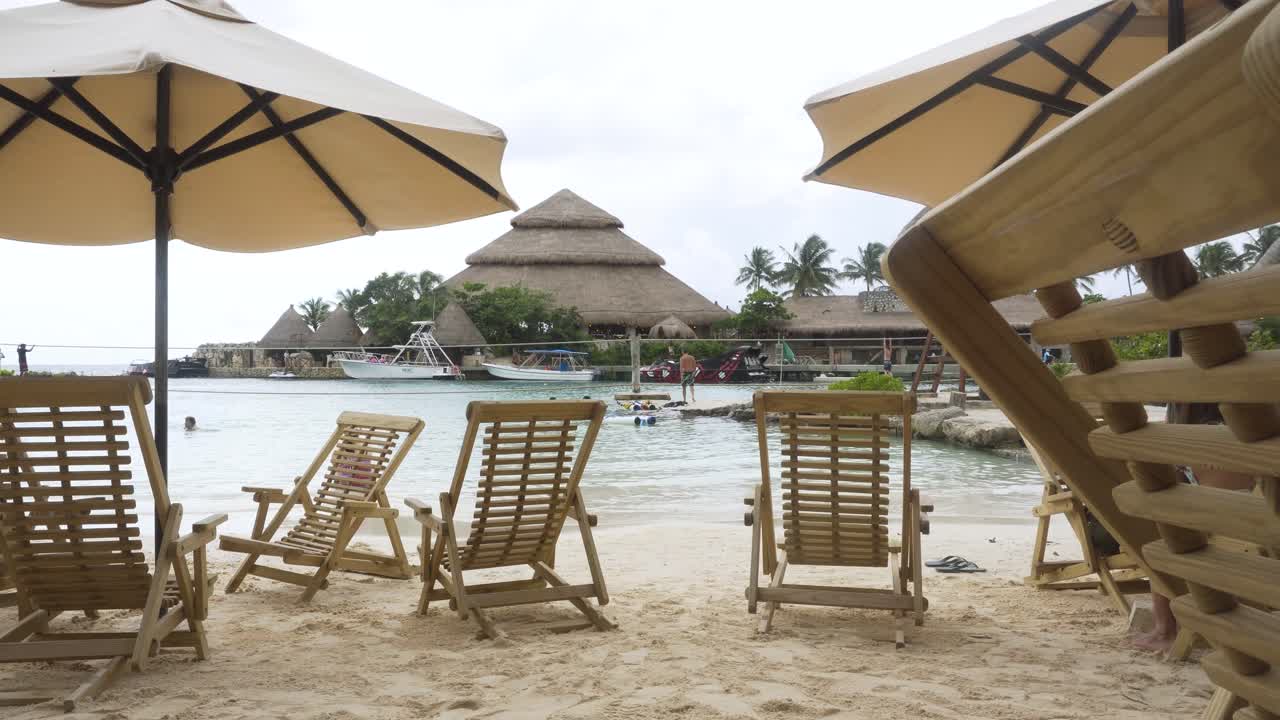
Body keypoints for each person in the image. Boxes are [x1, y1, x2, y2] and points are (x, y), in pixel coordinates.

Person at [1133, 402, 1258, 653]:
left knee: (1165, 535)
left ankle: (1165, 630)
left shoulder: (1191, 438)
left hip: (1223, 526)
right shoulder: (1252, 427)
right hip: (1257, 520)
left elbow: (1170, 491)